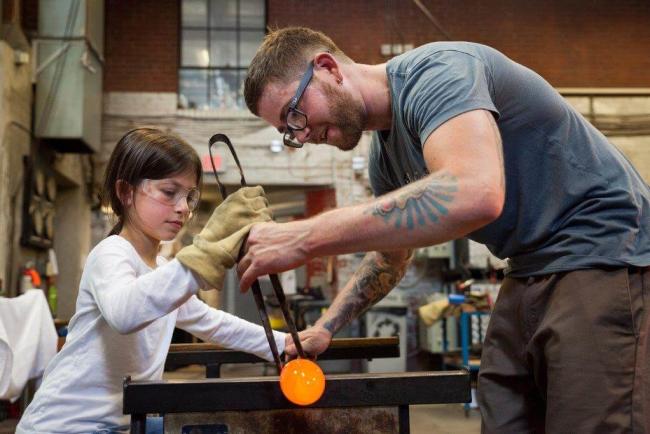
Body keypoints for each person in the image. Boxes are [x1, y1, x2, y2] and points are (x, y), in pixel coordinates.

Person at [238, 27, 650, 432]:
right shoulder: (385, 158)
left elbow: (475, 192)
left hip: (605, 251)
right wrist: (325, 328)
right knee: (504, 411)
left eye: (295, 114)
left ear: (328, 68)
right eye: (288, 131)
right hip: (528, 266)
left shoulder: (438, 72)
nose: (302, 133)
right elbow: (390, 257)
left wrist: (304, 238)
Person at [16, 128, 287, 434]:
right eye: (169, 192)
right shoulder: (112, 253)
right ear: (126, 192)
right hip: (62, 426)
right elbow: (125, 313)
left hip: (119, 425)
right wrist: (204, 253)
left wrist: (286, 344)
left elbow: (212, 322)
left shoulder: (161, 268)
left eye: (189, 196)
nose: (183, 207)